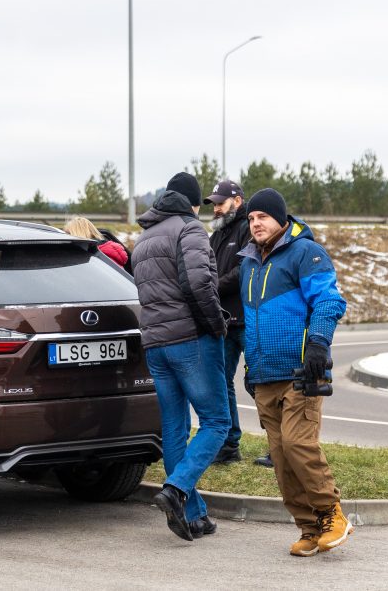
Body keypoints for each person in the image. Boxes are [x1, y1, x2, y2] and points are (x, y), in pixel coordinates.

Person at [240, 188, 350, 557]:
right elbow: (250, 320)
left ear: (281, 219)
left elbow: (330, 300)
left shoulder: (306, 252)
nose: (255, 223)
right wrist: (249, 366)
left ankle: (332, 514)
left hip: (302, 369)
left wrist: (318, 342)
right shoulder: (248, 263)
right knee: (281, 458)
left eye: (263, 217)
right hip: (265, 374)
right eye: (251, 218)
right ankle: (309, 526)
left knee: (297, 444)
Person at [131, 172, 230, 542]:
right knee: (217, 422)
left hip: (155, 344)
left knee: (174, 428)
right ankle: (176, 489)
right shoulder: (189, 230)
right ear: (189, 203)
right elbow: (198, 283)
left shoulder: (143, 238)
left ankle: (194, 516)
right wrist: (215, 324)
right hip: (190, 339)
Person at [203, 180, 250, 465]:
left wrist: (213, 287)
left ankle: (278, 446)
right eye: (214, 204)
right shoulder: (217, 235)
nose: (217, 208)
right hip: (225, 322)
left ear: (238, 201)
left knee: (263, 384)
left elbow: (244, 270)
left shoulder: (249, 228)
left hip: (247, 320)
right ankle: (230, 444)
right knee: (221, 383)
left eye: (221, 202)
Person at [63, 216, 128, 268]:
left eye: (69, 234)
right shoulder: (105, 252)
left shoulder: (97, 258)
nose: (67, 238)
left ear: (78, 234)